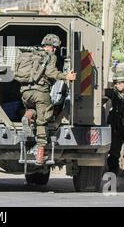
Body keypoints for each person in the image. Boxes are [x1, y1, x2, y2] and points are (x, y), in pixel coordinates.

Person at [20, 34, 76, 165]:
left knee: (32, 109)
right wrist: (66, 76)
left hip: (25, 92)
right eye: (55, 47)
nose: (55, 50)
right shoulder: (50, 56)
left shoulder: (30, 54)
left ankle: (27, 117)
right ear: (53, 47)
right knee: (42, 120)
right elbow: (51, 73)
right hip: (41, 92)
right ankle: (40, 154)